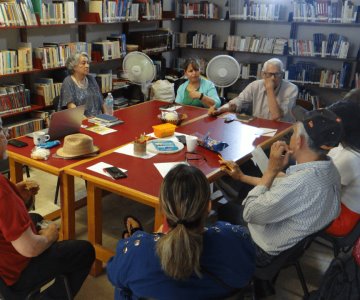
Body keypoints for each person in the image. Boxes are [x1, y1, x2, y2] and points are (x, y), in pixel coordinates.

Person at [107, 164, 255, 300]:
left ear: (163, 209)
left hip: (140, 252)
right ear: (208, 207)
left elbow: (113, 274)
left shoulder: (137, 251)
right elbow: (245, 274)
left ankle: (137, 233)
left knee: (122, 286)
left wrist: (144, 238)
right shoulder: (236, 239)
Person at [219, 108, 342, 265]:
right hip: (292, 245)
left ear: (299, 141)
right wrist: (242, 177)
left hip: (265, 251)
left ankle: (234, 265)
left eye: (294, 131)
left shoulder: (300, 183)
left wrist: (271, 170)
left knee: (226, 210)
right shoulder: (328, 168)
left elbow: (249, 214)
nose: (290, 136)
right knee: (241, 197)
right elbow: (286, 182)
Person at [0, 118, 95, 299]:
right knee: (84, 251)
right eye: (2, 131)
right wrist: (50, 235)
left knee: (35, 217)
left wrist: (16, 196)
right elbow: (30, 249)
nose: (6, 135)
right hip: (13, 276)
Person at [208, 58, 298, 122]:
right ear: (263, 74)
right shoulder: (255, 85)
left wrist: (269, 89)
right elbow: (238, 101)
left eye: (277, 74)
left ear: (282, 74)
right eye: (269, 74)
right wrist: (220, 110)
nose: (273, 78)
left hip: (282, 132)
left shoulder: (291, 89)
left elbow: (276, 116)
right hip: (259, 129)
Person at [325, 101, 360, 236]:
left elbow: (318, 189)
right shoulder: (351, 144)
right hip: (345, 204)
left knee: (295, 204)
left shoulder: (350, 157)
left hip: (342, 218)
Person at [59, 52, 103, 117]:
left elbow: (101, 101)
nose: (87, 66)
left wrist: (108, 117)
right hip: (80, 121)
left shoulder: (91, 79)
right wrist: (87, 121)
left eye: (88, 63)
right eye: (83, 63)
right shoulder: (68, 82)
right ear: (74, 66)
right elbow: (72, 107)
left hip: (99, 119)